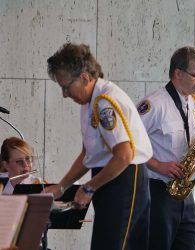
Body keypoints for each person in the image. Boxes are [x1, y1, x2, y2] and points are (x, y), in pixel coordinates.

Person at [44, 43, 153, 250]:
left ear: (84, 77)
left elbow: (123, 156)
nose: (65, 94)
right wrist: (61, 186)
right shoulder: (90, 101)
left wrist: (89, 187)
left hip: (124, 179)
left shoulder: (105, 101)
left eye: (66, 87)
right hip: (110, 179)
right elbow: (89, 154)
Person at [137, 46, 195, 250]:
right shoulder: (154, 104)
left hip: (184, 192)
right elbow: (127, 144)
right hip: (157, 192)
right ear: (178, 73)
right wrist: (157, 165)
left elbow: (189, 144)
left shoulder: (192, 104)